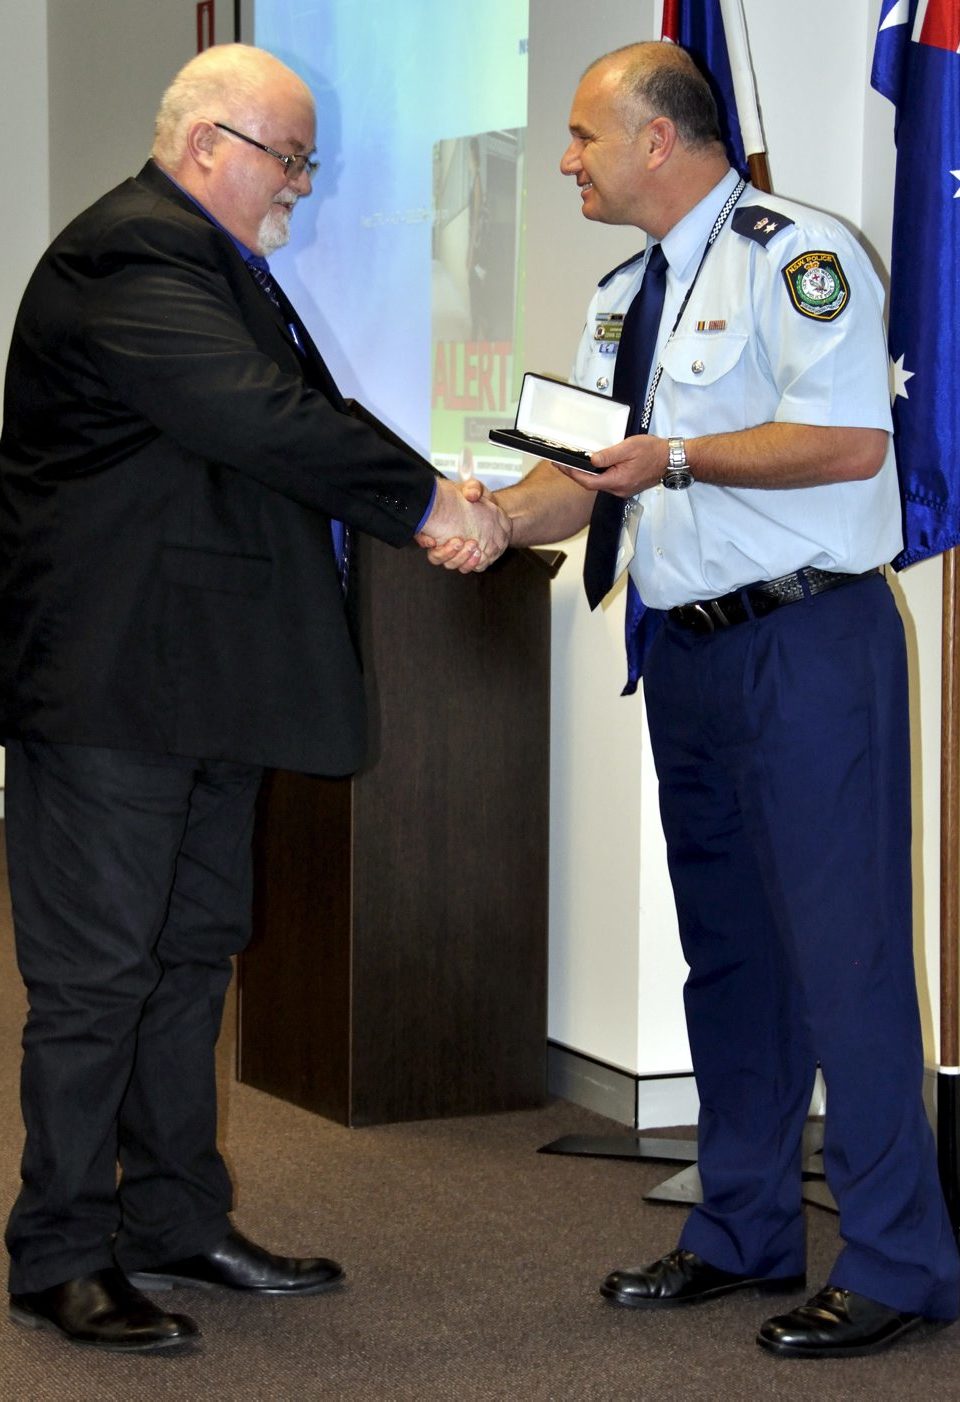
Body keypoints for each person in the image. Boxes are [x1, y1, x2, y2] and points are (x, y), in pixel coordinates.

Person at [429, 41, 960, 1358]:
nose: (565, 161)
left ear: (659, 138)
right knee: (729, 957)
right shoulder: (622, 296)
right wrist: (496, 520)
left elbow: (845, 441)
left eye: (580, 137)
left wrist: (671, 452)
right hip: (693, 655)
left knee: (846, 962)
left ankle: (902, 1262)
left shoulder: (799, 255)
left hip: (810, 646)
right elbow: (585, 477)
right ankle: (741, 1229)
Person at [0, 42, 507, 1353]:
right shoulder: (129, 255)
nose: (303, 181)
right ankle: (58, 1247)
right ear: (207, 145)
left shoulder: (218, 265)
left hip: (201, 689)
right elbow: (258, 416)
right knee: (98, 976)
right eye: (291, 156)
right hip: (113, 692)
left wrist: (441, 497)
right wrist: (435, 504)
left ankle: (174, 1216)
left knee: (185, 958)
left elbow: (298, 408)